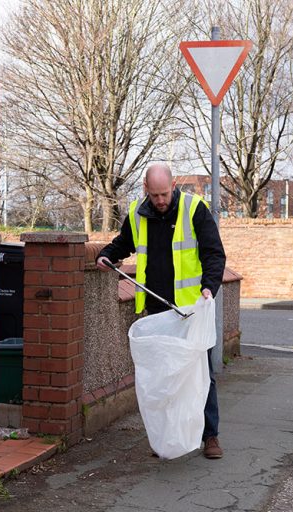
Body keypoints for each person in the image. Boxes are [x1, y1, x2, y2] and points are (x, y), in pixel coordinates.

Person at [97, 163, 227, 459]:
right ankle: (167, 439)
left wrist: (209, 288)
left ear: (173, 186)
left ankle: (210, 437)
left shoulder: (194, 209)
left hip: (190, 310)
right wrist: (106, 254)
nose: (160, 200)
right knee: (163, 378)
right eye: (154, 195)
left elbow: (213, 253)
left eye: (164, 194)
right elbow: (124, 243)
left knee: (200, 374)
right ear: (146, 189)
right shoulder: (137, 213)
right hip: (156, 310)